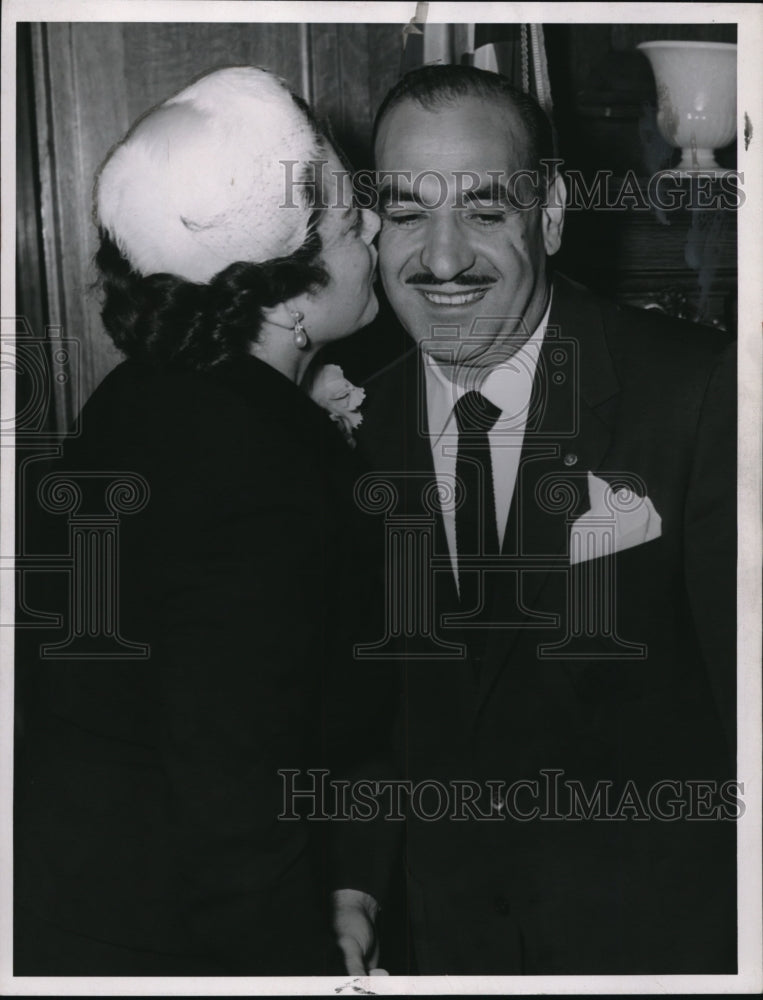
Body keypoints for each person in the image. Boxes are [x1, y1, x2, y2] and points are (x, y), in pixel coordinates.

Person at [346, 64, 737, 975]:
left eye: (484, 212)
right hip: (440, 950)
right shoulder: (348, 423)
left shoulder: (697, 393)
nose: (441, 260)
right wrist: (356, 885)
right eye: (407, 213)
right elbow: (363, 717)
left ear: (551, 212)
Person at [14, 66, 386, 975]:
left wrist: (340, 885)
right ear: (287, 293)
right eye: (348, 221)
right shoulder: (256, 465)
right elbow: (232, 788)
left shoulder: (143, 396)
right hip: (173, 940)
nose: (375, 225)